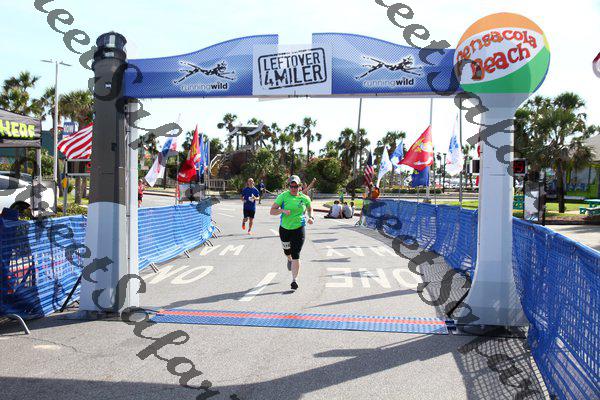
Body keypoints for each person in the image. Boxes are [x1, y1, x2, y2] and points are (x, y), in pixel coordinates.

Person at [270, 175, 314, 290]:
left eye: (296, 186)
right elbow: (272, 211)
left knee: (296, 254)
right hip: (285, 229)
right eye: (291, 186)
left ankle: (294, 280)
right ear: (289, 186)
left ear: (300, 186)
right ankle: (288, 259)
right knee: (287, 252)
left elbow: (310, 208)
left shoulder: (305, 198)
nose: (294, 188)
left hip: (299, 228)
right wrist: (282, 210)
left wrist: (311, 217)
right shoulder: (283, 196)